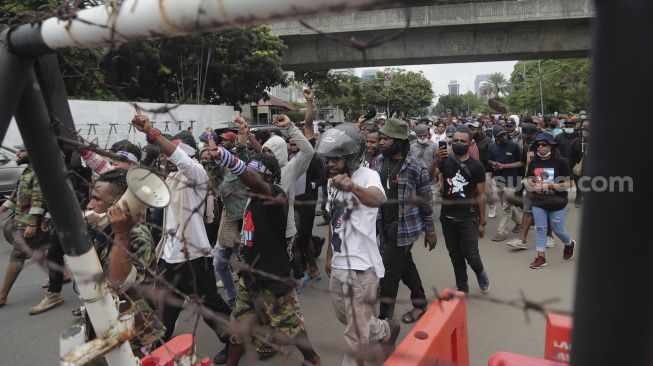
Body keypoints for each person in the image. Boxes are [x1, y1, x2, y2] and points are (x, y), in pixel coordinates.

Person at [131, 114, 233, 363]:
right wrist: (149, 138)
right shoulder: (170, 178)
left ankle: (234, 343)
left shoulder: (195, 174)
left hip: (195, 258)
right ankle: (159, 352)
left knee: (210, 307)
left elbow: (181, 160)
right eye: (165, 155)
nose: (166, 158)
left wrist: (153, 132)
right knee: (165, 309)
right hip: (169, 257)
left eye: (171, 153)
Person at [209, 146, 321, 366]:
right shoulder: (251, 200)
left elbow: (256, 183)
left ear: (268, 177)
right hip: (250, 277)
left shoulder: (275, 194)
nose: (246, 178)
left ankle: (312, 359)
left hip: (273, 277)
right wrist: (245, 247)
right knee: (239, 326)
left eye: (253, 173)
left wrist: (231, 160)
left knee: (290, 325)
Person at [318, 124, 400, 365]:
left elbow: (377, 199)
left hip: (362, 267)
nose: (331, 164)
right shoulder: (331, 182)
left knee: (355, 334)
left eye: (337, 158)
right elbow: (335, 221)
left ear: (352, 156)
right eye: (328, 159)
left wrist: (352, 186)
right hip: (340, 263)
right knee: (346, 316)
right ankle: (385, 330)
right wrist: (330, 255)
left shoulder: (368, 175)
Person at [85, 169, 164, 354]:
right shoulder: (104, 230)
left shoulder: (137, 236)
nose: (89, 205)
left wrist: (121, 234)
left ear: (118, 202)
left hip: (133, 331)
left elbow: (117, 283)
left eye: (97, 199)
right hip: (108, 321)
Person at [375, 118, 437, 324]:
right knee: (405, 265)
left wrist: (430, 230)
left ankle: (384, 322)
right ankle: (420, 303)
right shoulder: (380, 162)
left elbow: (426, 200)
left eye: (386, 139)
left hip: (403, 227)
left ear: (399, 141)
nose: (381, 142)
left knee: (389, 275)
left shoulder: (415, 166)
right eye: (380, 138)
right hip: (383, 223)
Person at [437, 126, 489, 294]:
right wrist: (434, 161)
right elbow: (430, 177)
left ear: (470, 143)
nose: (458, 143)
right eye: (456, 141)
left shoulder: (477, 166)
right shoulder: (444, 161)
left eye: (463, 141)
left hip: (468, 217)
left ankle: (479, 271)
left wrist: (482, 222)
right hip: (447, 217)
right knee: (455, 255)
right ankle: (462, 287)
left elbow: (481, 195)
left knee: (470, 254)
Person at [0, 146, 45, 308]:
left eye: (22, 151)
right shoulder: (27, 171)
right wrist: (2, 210)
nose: (18, 153)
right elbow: (16, 194)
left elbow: (39, 199)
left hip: (30, 222)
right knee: (42, 248)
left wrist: (33, 223)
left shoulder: (38, 172)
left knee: (17, 257)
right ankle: (64, 275)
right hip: (23, 220)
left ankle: (2, 295)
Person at [524, 133, 576, 269]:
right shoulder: (534, 161)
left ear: (551, 147)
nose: (540, 147)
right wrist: (532, 183)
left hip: (557, 203)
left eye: (544, 144)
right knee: (541, 229)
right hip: (538, 201)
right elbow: (528, 177)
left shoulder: (561, 162)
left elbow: (570, 184)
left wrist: (550, 186)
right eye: (538, 145)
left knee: (557, 229)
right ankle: (541, 258)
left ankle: (569, 243)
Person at [488, 125, 524, 242]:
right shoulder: (492, 146)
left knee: (506, 208)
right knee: (507, 205)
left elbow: (521, 163)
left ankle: (501, 232)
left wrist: (504, 166)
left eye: (505, 134)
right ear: (496, 137)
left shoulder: (513, 145)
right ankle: (520, 222)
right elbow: (489, 160)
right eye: (500, 135)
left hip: (512, 180)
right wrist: (494, 164)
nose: (504, 137)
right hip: (498, 179)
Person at [469, 120, 496, 218]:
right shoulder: (470, 140)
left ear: (480, 130)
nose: (471, 131)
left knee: (488, 192)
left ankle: (492, 207)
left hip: (485, 170)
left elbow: (493, 156)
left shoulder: (488, 141)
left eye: (473, 129)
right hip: (472, 170)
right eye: (470, 129)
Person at [569, 117, 590, 207]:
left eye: (588, 127)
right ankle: (579, 197)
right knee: (579, 186)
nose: (585, 129)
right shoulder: (575, 142)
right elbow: (569, 157)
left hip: (591, 169)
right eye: (584, 126)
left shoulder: (599, 142)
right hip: (578, 169)